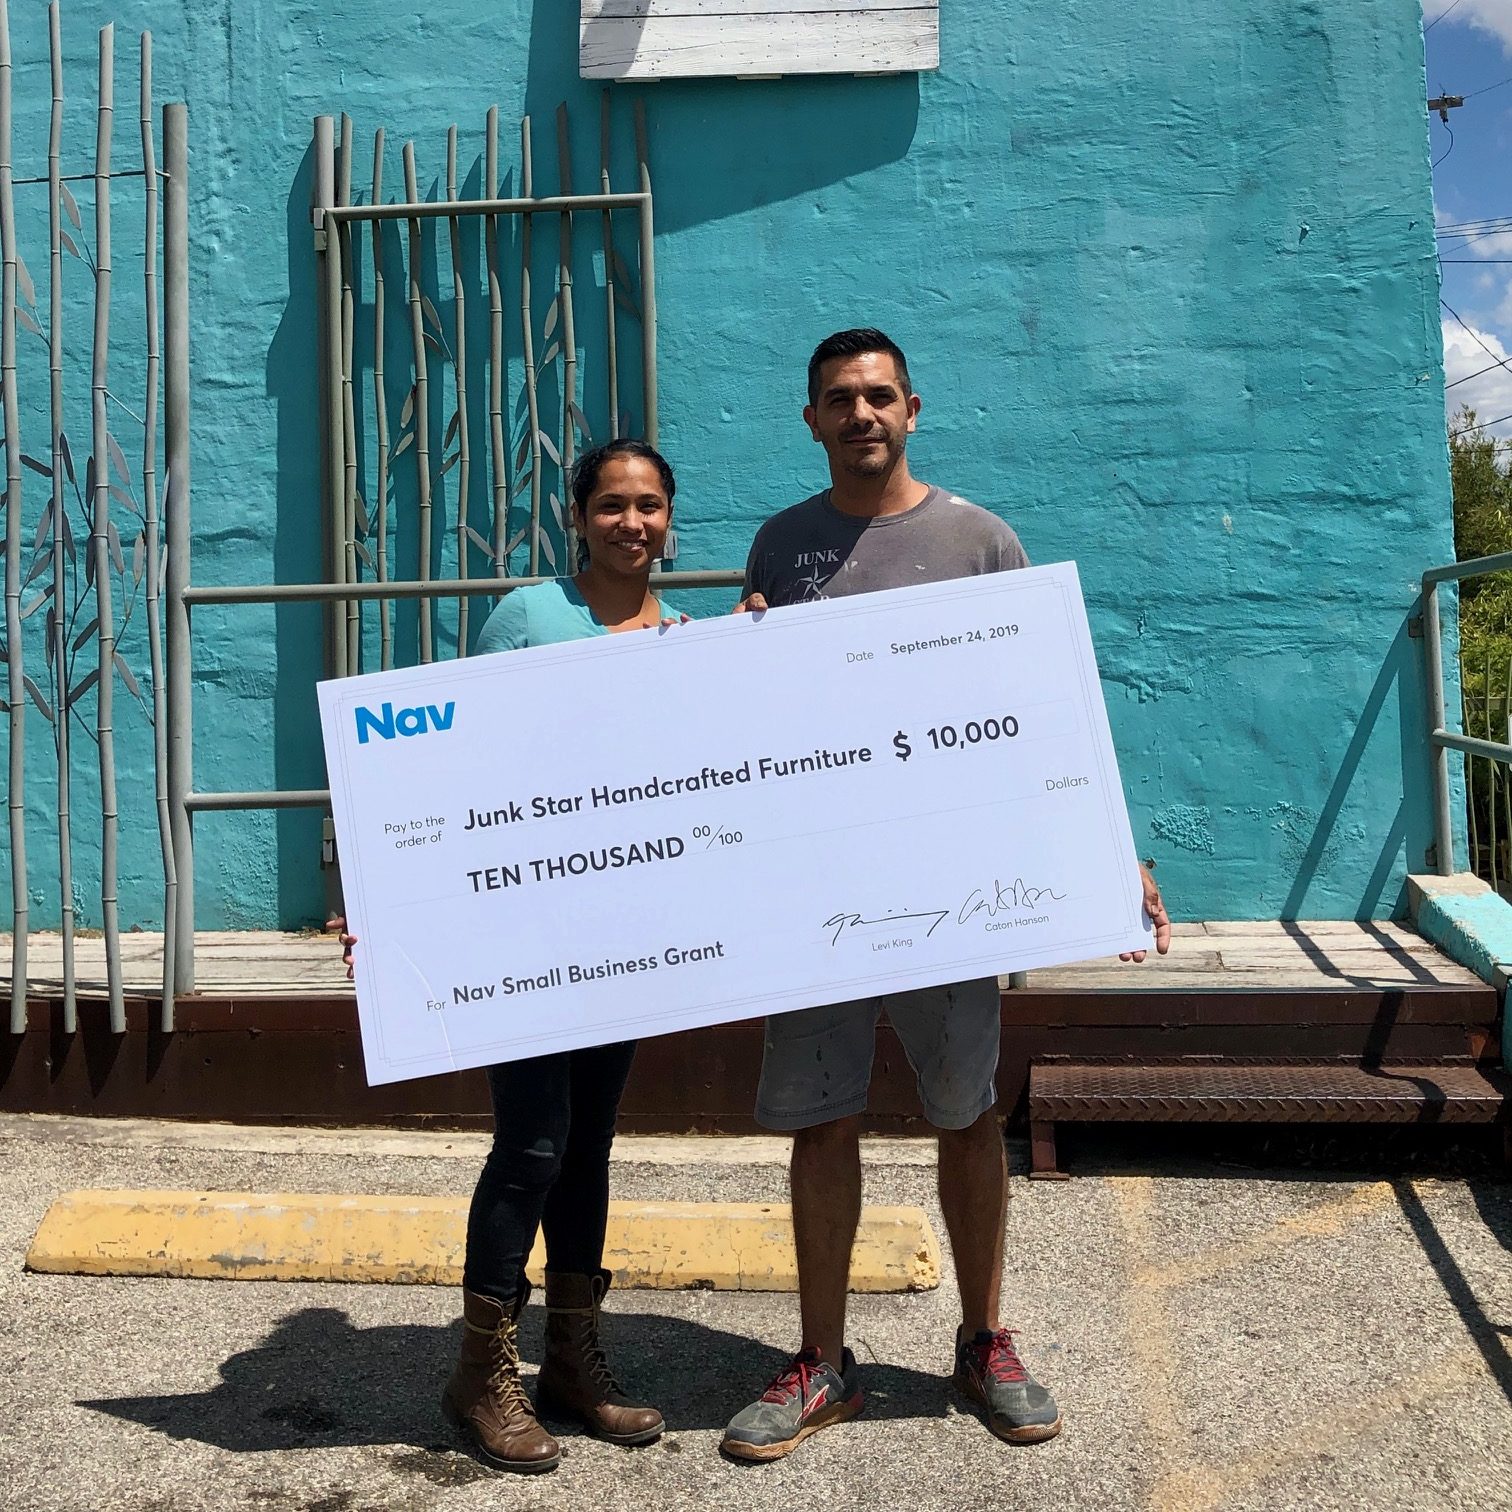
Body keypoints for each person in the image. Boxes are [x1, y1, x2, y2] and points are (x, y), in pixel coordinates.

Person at [719, 329, 1172, 1462]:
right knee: (822, 1120)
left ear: (912, 409)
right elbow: (761, 722)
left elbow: (1044, 708)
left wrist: (1110, 849)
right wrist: (739, 658)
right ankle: (825, 1361)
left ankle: (984, 1341)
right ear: (811, 420)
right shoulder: (782, 544)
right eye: (839, 399)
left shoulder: (981, 539)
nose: (860, 412)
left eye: (879, 395)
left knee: (965, 1114)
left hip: (954, 888)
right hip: (820, 887)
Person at [338, 438, 687, 1475]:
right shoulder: (528, 616)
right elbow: (450, 766)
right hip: (526, 930)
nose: (634, 522)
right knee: (532, 1143)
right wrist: (389, 898)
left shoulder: (694, 643)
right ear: (577, 516)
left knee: (590, 1147)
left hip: (626, 938)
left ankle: (574, 1360)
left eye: (652, 506)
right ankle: (479, 1373)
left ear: (671, 521)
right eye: (614, 505)